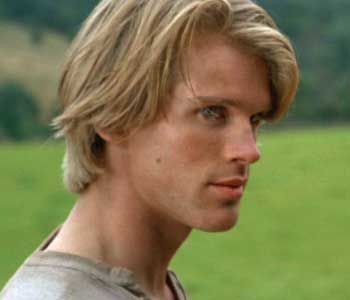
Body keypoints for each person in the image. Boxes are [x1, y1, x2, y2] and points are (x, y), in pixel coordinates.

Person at [1, 0, 299, 299]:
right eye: (212, 113)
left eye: (255, 119)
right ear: (115, 117)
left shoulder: (152, 287)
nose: (249, 151)